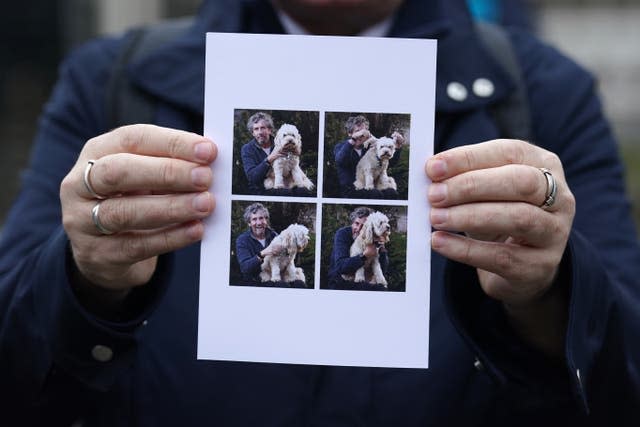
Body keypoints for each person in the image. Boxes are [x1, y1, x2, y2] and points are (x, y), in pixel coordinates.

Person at [0, 0, 639, 425]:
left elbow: (624, 370)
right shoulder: (109, 82)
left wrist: (550, 289)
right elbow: (15, 356)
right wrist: (85, 276)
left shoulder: (545, 94)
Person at [333, 115, 404, 198]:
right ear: (350, 133)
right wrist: (353, 140)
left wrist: (397, 147)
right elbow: (340, 160)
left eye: (364, 131)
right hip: (351, 189)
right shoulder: (341, 146)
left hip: (371, 186)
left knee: (391, 193)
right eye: (358, 131)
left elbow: (389, 162)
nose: (361, 135)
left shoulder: (370, 147)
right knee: (375, 195)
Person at [327, 206, 389, 291]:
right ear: (352, 222)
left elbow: (383, 269)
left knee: (382, 288)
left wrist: (382, 249)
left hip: (365, 280)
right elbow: (340, 267)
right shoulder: (342, 234)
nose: (358, 228)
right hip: (340, 281)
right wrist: (365, 255)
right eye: (356, 223)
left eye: (363, 226)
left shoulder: (374, 238)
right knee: (379, 290)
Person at [235, 202, 278, 285]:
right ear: (249, 223)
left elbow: (285, 258)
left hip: (273, 278)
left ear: (266, 220)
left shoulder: (274, 236)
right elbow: (245, 268)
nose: (259, 223)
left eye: (261, 218)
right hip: (253, 282)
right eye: (254, 219)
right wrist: (262, 253)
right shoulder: (242, 240)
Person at [240, 112, 283, 194]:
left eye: (262, 128)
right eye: (256, 129)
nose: (259, 132)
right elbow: (252, 177)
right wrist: (269, 159)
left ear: (269, 130)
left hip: (281, 188)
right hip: (259, 191)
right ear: (252, 133)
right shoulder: (247, 149)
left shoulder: (281, 144)